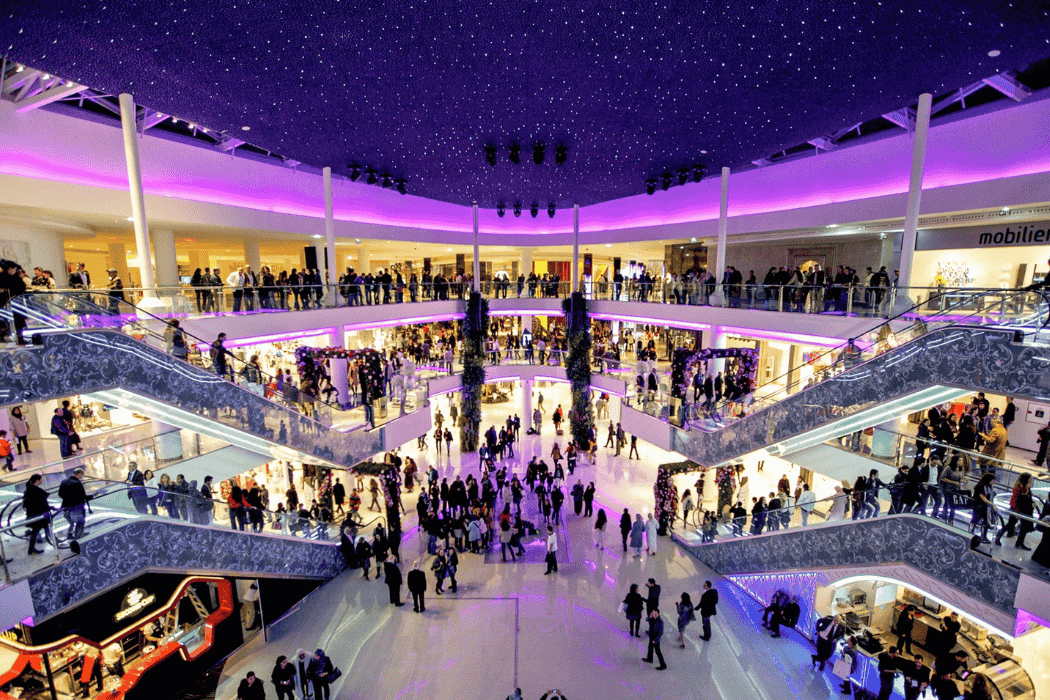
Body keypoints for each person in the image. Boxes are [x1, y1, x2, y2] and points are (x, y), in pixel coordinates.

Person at [23, 473, 52, 555]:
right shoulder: (37, 491)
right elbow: (42, 501)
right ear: (37, 480)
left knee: (37, 531)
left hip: (33, 515)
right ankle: (54, 542)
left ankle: (31, 549)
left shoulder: (28, 490)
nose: (42, 480)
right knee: (39, 530)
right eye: (41, 479)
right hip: (39, 516)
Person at [58, 468, 90, 540]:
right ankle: (79, 538)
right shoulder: (77, 483)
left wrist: (68, 499)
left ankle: (77, 535)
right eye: (82, 476)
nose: (81, 477)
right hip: (77, 507)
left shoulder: (64, 482)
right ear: (79, 474)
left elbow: (60, 494)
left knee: (72, 523)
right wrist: (94, 495)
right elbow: (83, 496)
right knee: (80, 522)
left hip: (66, 508)